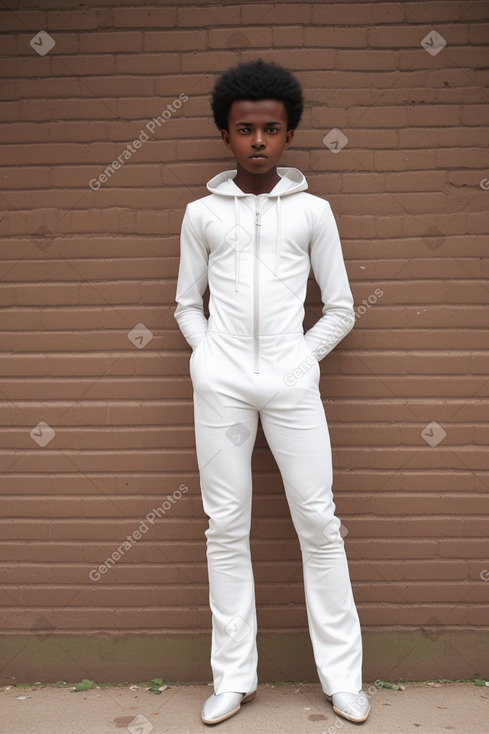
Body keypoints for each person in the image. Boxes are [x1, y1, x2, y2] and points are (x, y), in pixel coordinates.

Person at [174, 58, 370, 726]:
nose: (258, 139)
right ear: (225, 134)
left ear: (288, 135)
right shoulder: (200, 214)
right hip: (222, 387)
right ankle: (233, 677)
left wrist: (297, 359)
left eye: (272, 129)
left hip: (290, 386)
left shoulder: (313, 212)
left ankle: (342, 679)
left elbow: (339, 308)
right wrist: (208, 359)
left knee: (318, 521)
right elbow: (184, 305)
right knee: (224, 527)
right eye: (244, 129)